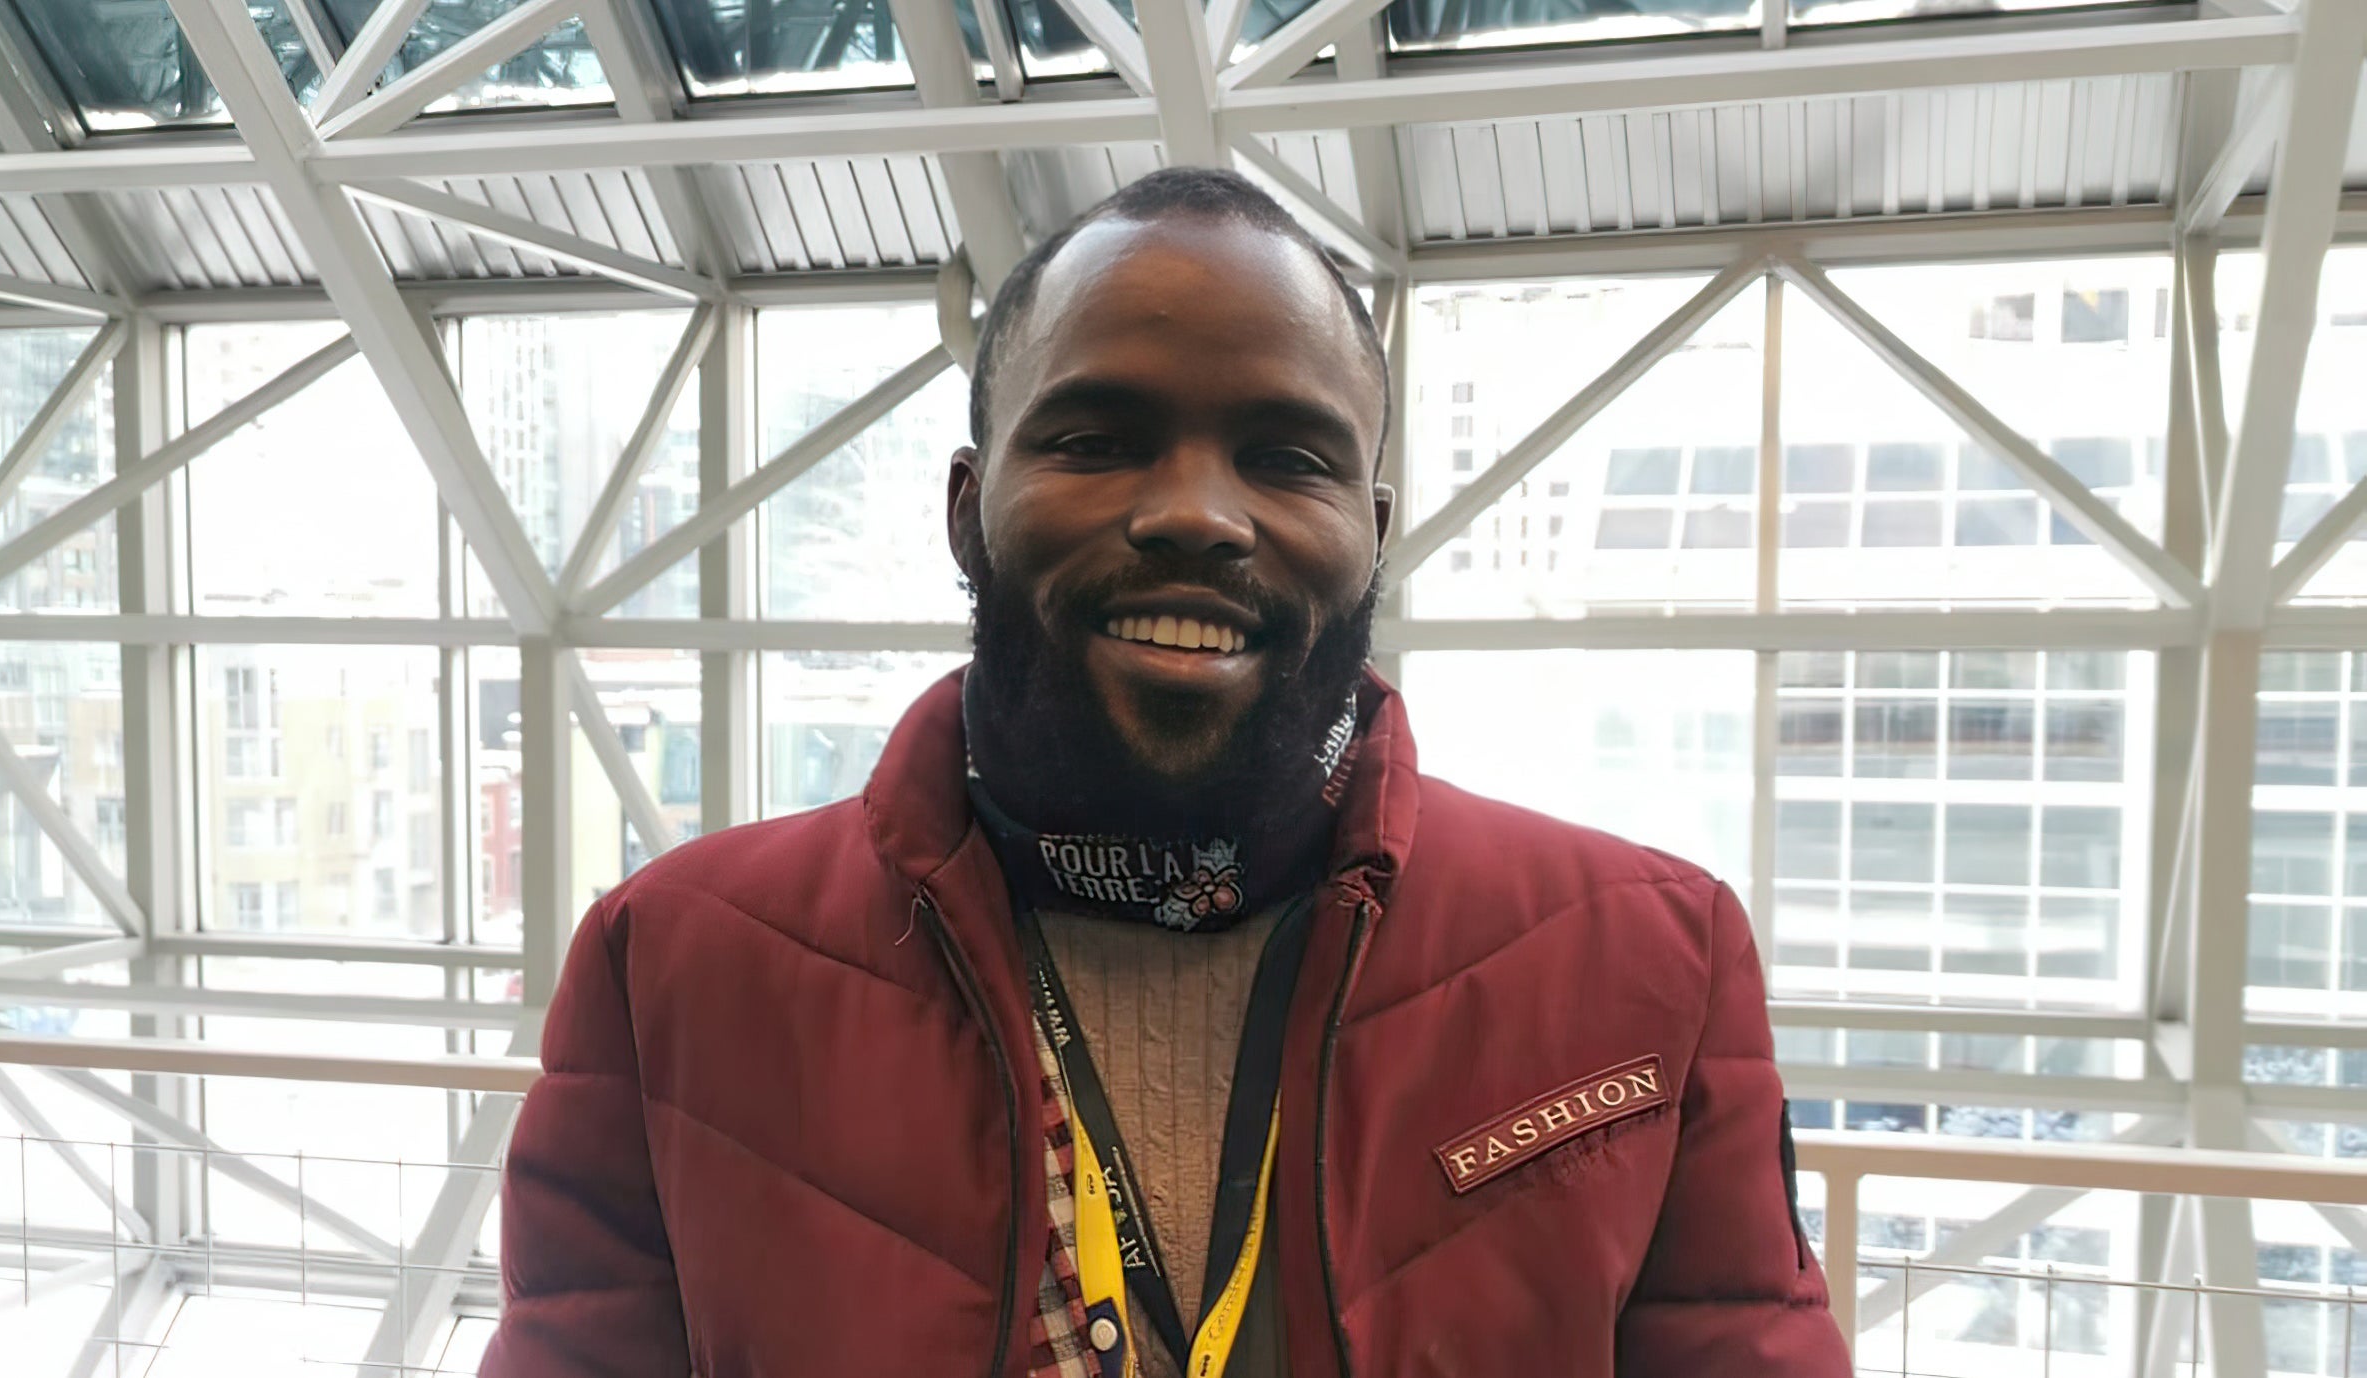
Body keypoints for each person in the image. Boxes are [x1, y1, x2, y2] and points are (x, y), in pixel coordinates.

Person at [482, 167, 1850, 1378]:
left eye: (1286, 459)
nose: (1196, 515)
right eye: (1096, 439)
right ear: (968, 511)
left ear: (1371, 534)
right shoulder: (675, 971)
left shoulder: (1649, 965)